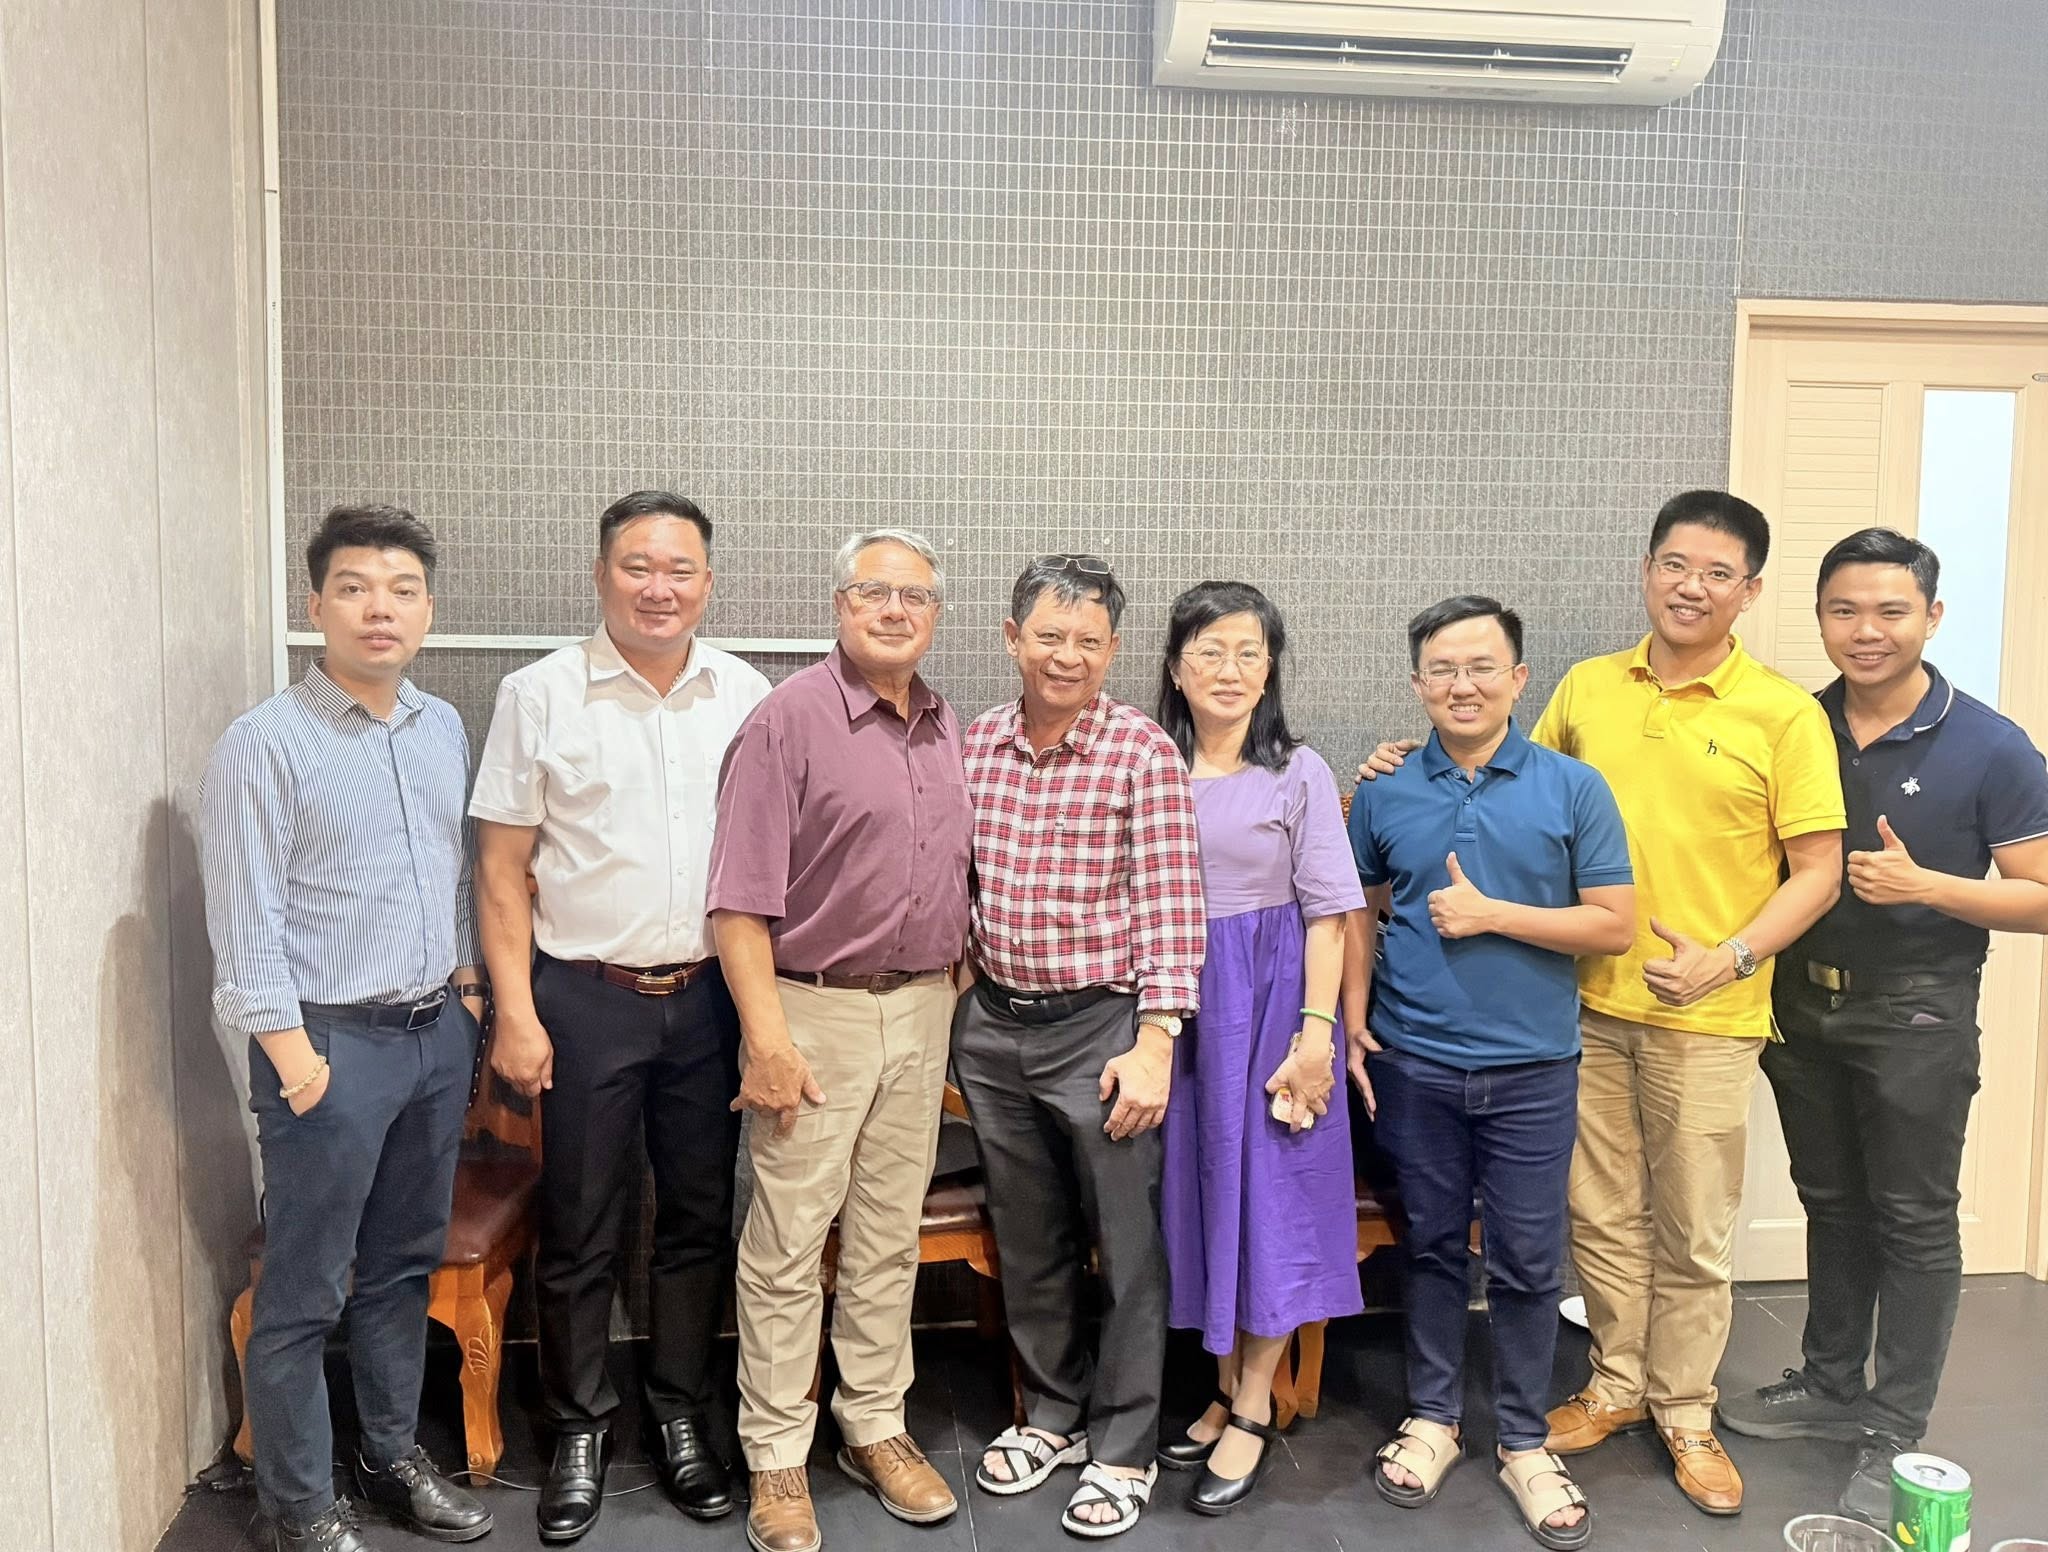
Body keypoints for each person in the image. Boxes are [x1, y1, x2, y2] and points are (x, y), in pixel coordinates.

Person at [1362, 492, 1846, 1516]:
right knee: (1600, 1218)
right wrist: (1394, 766)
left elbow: (1817, 870)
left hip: (1702, 1009)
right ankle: (1615, 1385)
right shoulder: (1587, 688)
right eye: (1674, 564)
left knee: (1694, 1228)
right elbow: (1498, 789)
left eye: (1716, 573)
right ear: (1646, 569)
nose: (1690, 586)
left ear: (1750, 590)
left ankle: (1686, 1410)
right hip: (1578, 1009)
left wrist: (1730, 957)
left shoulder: (1782, 712)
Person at [1716, 528, 2048, 1524]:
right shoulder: (1795, 722)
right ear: (1819, 617)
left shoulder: (1990, 743)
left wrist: (1928, 886)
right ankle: (1828, 1382)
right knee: (1832, 1202)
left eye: (1889, 611)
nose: (1865, 631)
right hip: (1800, 1004)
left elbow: (2040, 894)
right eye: (1843, 610)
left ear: (1930, 617)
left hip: (1917, 1009)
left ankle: (1895, 1422)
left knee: (1913, 1217)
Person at [470, 490, 769, 1543]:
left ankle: (681, 1412)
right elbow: (499, 868)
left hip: (710, 1000)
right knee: (582, 1220)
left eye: (679, 569)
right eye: (637, 566)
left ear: (708, 584)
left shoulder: (744, 693)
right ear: (600, 576)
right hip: (584, 998)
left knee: (695, 1217)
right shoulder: (539, 694)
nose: (658, 587)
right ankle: (578, 1427)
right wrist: (516, 1012)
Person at [202, 504, 493, 1552]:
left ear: (427, 610)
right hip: (325, 1048)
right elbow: (245, 922)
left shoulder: (439, 725)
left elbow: (451, 875)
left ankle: (388, 1458)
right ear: (315, 603)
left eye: (402, 589)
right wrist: (296, 1063)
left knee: (403, 1266)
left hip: (431, 1035)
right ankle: (295, 1507)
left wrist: (466, 996)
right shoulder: (264, 743)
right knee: (304, 1289)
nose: (381, 608)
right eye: (356, 587)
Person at [704, 529, 972, 1552]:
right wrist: (767, 1039)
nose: (895, 610)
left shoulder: (946, 725)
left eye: (914, 596)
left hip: (921, 1007)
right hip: (809, 1010)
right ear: (839, 605)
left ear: (935, 615)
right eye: (873, 592)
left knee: (886, 1235)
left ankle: (874, 1424)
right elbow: (736, 902)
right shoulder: (786, 721)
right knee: (786, 1241)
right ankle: (776, 1451)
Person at [1349, 596, 1634, 1550]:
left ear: (1519, 679)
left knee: (1527, 1258)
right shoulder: (1385, 790)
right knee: (1430, 1246)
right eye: (1442, 669)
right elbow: (1356, 912)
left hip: (1533, 1068)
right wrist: (1351, 1022)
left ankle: (1523, 1438)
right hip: (1415, 1061)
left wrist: (1494, 916)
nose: (1462, 685)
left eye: (1482, 667)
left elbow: (1614, 925)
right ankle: (1432, 1417)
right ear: (1417, 683)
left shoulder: (1574, 788)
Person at [953, 554, 1205, 1540]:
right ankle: (1053, 1415)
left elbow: (1173, 907)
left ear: (1113, 649)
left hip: (1102, 1028)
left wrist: (1156, 1043)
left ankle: (1123, 1445)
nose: (1067, 655)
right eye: (1049, 635)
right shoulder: (974, 742)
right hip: (992, 1026)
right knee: (1029, 1237)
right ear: (1012, 637)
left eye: (1088, 641)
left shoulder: (1141, 751)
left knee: (1128, 1245)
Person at [1150, 581, 1365, 1516]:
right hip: (1179, 1008)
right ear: (1175, 668)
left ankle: (1251, 1405)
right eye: (1209, 651)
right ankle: (1222, 1383)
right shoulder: (1149, 764)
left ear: (1270, 668)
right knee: (1204, 1196)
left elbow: (1331, 916)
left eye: (1248, 652)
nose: (1229, 670)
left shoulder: (1298, 771)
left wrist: (1317, 1034)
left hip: (1273, 1003)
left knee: (1273, 1201)